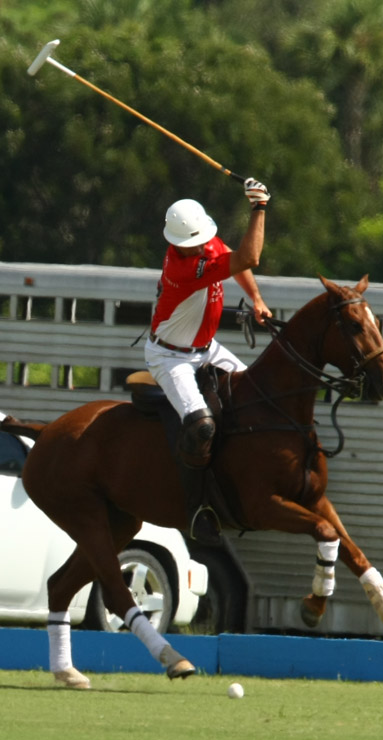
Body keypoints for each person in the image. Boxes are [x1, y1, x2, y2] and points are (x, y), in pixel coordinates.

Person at [145, 177, 271, 544]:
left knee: (255, 394)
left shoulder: (203, 244)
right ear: (178, 246)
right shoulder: (185, 268)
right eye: (194, 244)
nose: (201, 247)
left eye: (202, 241)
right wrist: (259, 207)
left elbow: (234, 258)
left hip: (205, 348)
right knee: (200, 425)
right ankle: (198, 507)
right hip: (170, 357)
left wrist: (257, 298)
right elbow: (249, 257)